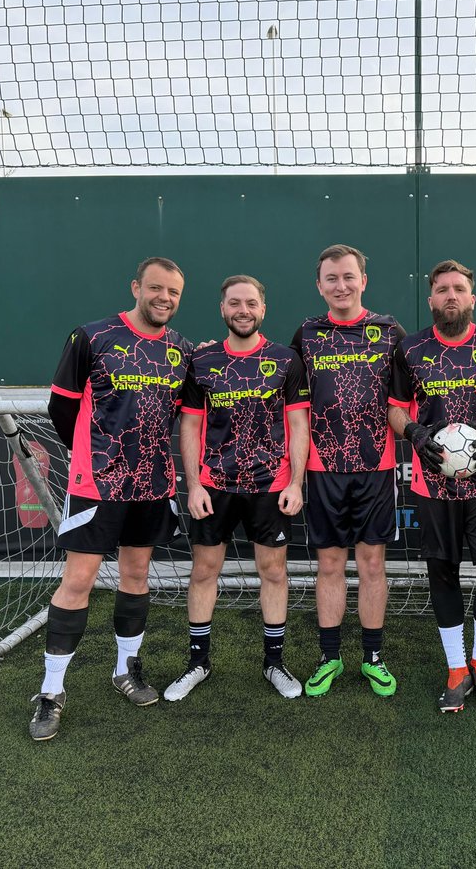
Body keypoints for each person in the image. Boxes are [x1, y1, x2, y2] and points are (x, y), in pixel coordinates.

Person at [31, 257, 191, 741]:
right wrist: (92, 455)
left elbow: (179, 413)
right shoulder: (92, 337)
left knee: (136, 575)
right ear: (136, 287)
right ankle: (52, 691)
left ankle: (126, 670)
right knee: (78, 580)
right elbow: (61, 405)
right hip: (97, 484)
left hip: (153, 483)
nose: (164, 298)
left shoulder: (181, 350)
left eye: (174, 293)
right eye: (156, 289)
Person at [164, 275, 310, 702]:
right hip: (215, 485)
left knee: (274, 573)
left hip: (272, 486)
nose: (242, 310)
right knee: (204, 572)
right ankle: (198, 663)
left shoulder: (286, 359)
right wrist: (193, 485)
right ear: (222, 309)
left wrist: (296, 482)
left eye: (250, 303)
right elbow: (189, 425)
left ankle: (274, 663)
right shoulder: (202, 360)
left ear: (263, 309)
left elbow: (300, 424)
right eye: (234, 303)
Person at [388, 260, 476, 712]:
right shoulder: (411, 348)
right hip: (432, 487)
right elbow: (397, 407)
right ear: (431, 299)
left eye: (458, 288)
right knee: (442, 572)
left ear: (472, 297)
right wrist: (415, 434)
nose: (450, 296)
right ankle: (457, 668)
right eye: (441, 289)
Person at [291, 244, 406, 697]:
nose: (341, 286)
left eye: (349, 277)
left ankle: (373, 658)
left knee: (373, 562)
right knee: (330, 563)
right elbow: (280, 381)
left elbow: (411, 392)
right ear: (319, 285)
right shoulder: (307, 333)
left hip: (376, 466)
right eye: (331, 279)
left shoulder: (390, 331)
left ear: (364, 281)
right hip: (323, 469)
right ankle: (329, 658)